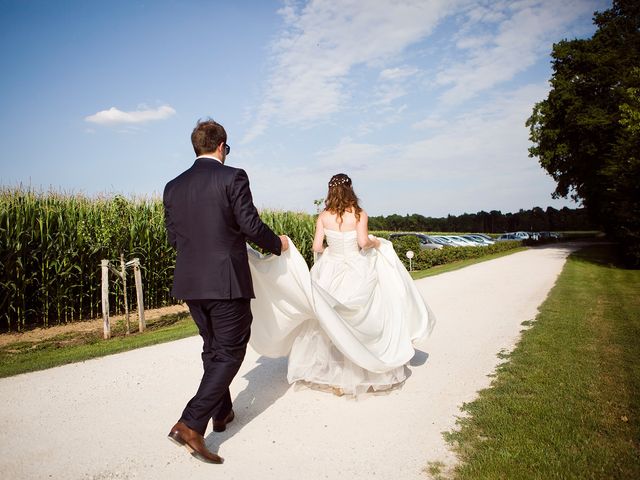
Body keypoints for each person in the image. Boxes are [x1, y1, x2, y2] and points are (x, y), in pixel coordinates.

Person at [163, 118, 289, 464]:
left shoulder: (172, 187)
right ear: (222, 146)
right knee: (231, 351)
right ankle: (190, 423)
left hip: (191, 282)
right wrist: (276, 244)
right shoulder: (233, 176)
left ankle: (223, 412)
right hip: (225, 280)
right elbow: (249, 225)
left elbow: (175, 237)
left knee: (212, 347)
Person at [247, 173, 434, 396]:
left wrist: (331, 252)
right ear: (350, 189)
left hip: (330, 267)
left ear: (330, 191)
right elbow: (363, 242)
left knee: (328, 319)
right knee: (360, 319)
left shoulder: (323, 216)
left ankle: (330, 373)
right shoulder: (359, 214)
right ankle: (361, 367)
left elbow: (316, 247)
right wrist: (376, 242)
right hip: (357, 267)